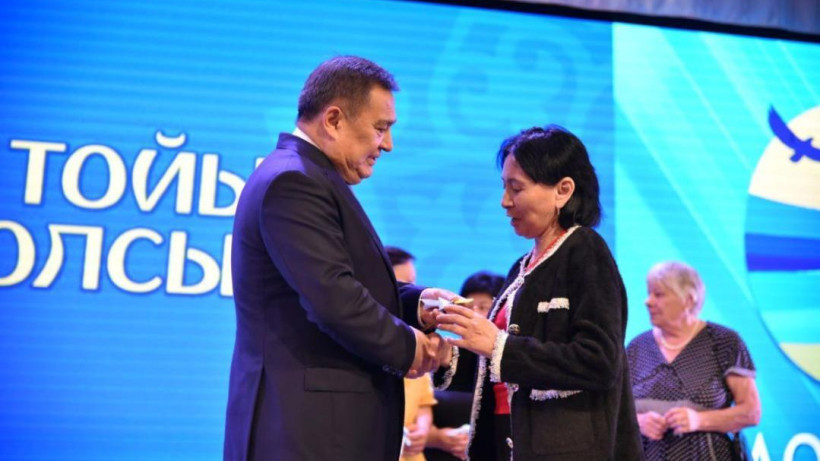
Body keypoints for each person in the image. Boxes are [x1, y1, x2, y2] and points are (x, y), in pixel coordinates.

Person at [224, 56, 454, 461]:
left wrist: (419, 304)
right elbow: (333, 298)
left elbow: (343, 283)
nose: (388, 145)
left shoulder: (305, 175)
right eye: (380, 128)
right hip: (307, 434)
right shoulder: (294, 181)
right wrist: (411, 348)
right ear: (333, 120)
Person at [435, 125, 645, 460]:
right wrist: (446, 356)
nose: (505, 201)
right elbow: (499, 368)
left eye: (516, 188)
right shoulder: (520, 268)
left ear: (563, 190)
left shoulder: (585, 251)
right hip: (509, 442)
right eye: (504, 187)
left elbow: (599, 361)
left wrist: (499, 346)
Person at [627, 261, 761, 461]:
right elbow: (614, 411)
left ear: (689, 300)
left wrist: (699, 420)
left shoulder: (724, 342)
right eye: (649, 293)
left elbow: (751, 412)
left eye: (659, 294)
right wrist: (638, 422)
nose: (648, 301)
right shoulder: (637, 347)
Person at [426, 271, 505, 461]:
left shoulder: (511, 362)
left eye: (483, 307)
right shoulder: (445, 354)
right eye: (468, 307)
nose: (474, 314)